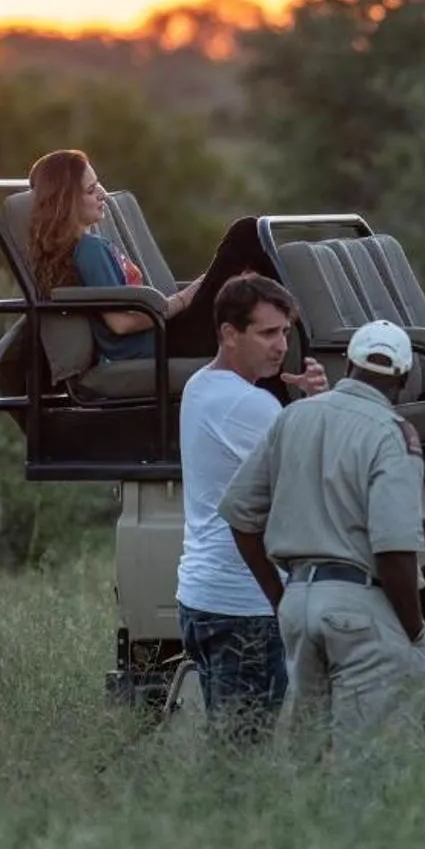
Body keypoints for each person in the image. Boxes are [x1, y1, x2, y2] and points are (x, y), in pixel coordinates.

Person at [220, 320, 425, 752]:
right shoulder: (393, 433)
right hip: (361, 605)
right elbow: (393, 548)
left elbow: (241, 515)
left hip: (299, 601)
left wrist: (282, 599)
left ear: (349, 365)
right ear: (405, 378)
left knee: (305, 761)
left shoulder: (294, 416)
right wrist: (414, 633)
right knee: (367, 772)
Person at [174, 274, 329, 737]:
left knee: (233, 749)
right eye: (267, 333)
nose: (281, 345)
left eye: (284, 331)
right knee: (242, 758)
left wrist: (310, 405)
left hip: (203, 599)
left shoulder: (202, 385)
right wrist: (319, 406)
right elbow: (317, 478)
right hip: (244, 608)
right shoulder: (249, 404)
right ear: (229, 333)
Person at [23, 148, 284, 376]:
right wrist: (181, 301)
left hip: (168, 331)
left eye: (98, 183)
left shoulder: (90, 247)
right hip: (166, 341)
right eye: (91, 190)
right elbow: (120, 322)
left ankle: (288, 332)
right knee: (246, 233)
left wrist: (199, 289)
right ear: (67, 203)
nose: (103, 193)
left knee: (244, 248)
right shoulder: (89, 251)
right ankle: (299, 329)